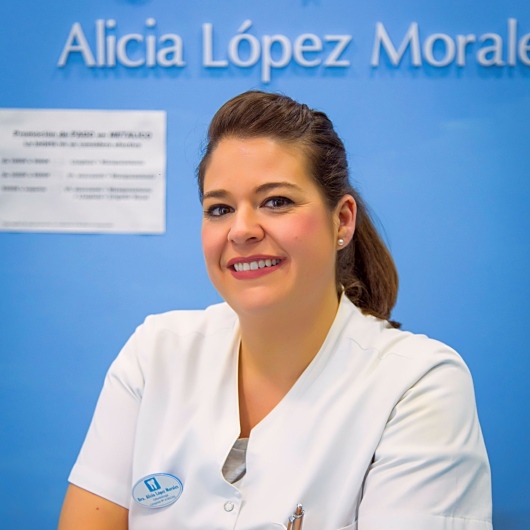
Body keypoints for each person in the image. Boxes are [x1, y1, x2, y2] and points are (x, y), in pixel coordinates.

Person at [58, 91, 492, 530]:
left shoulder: (417, 384)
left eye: (277, 201)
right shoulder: (156, 354)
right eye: (220, 209)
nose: (241, 230)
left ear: (342, 220)